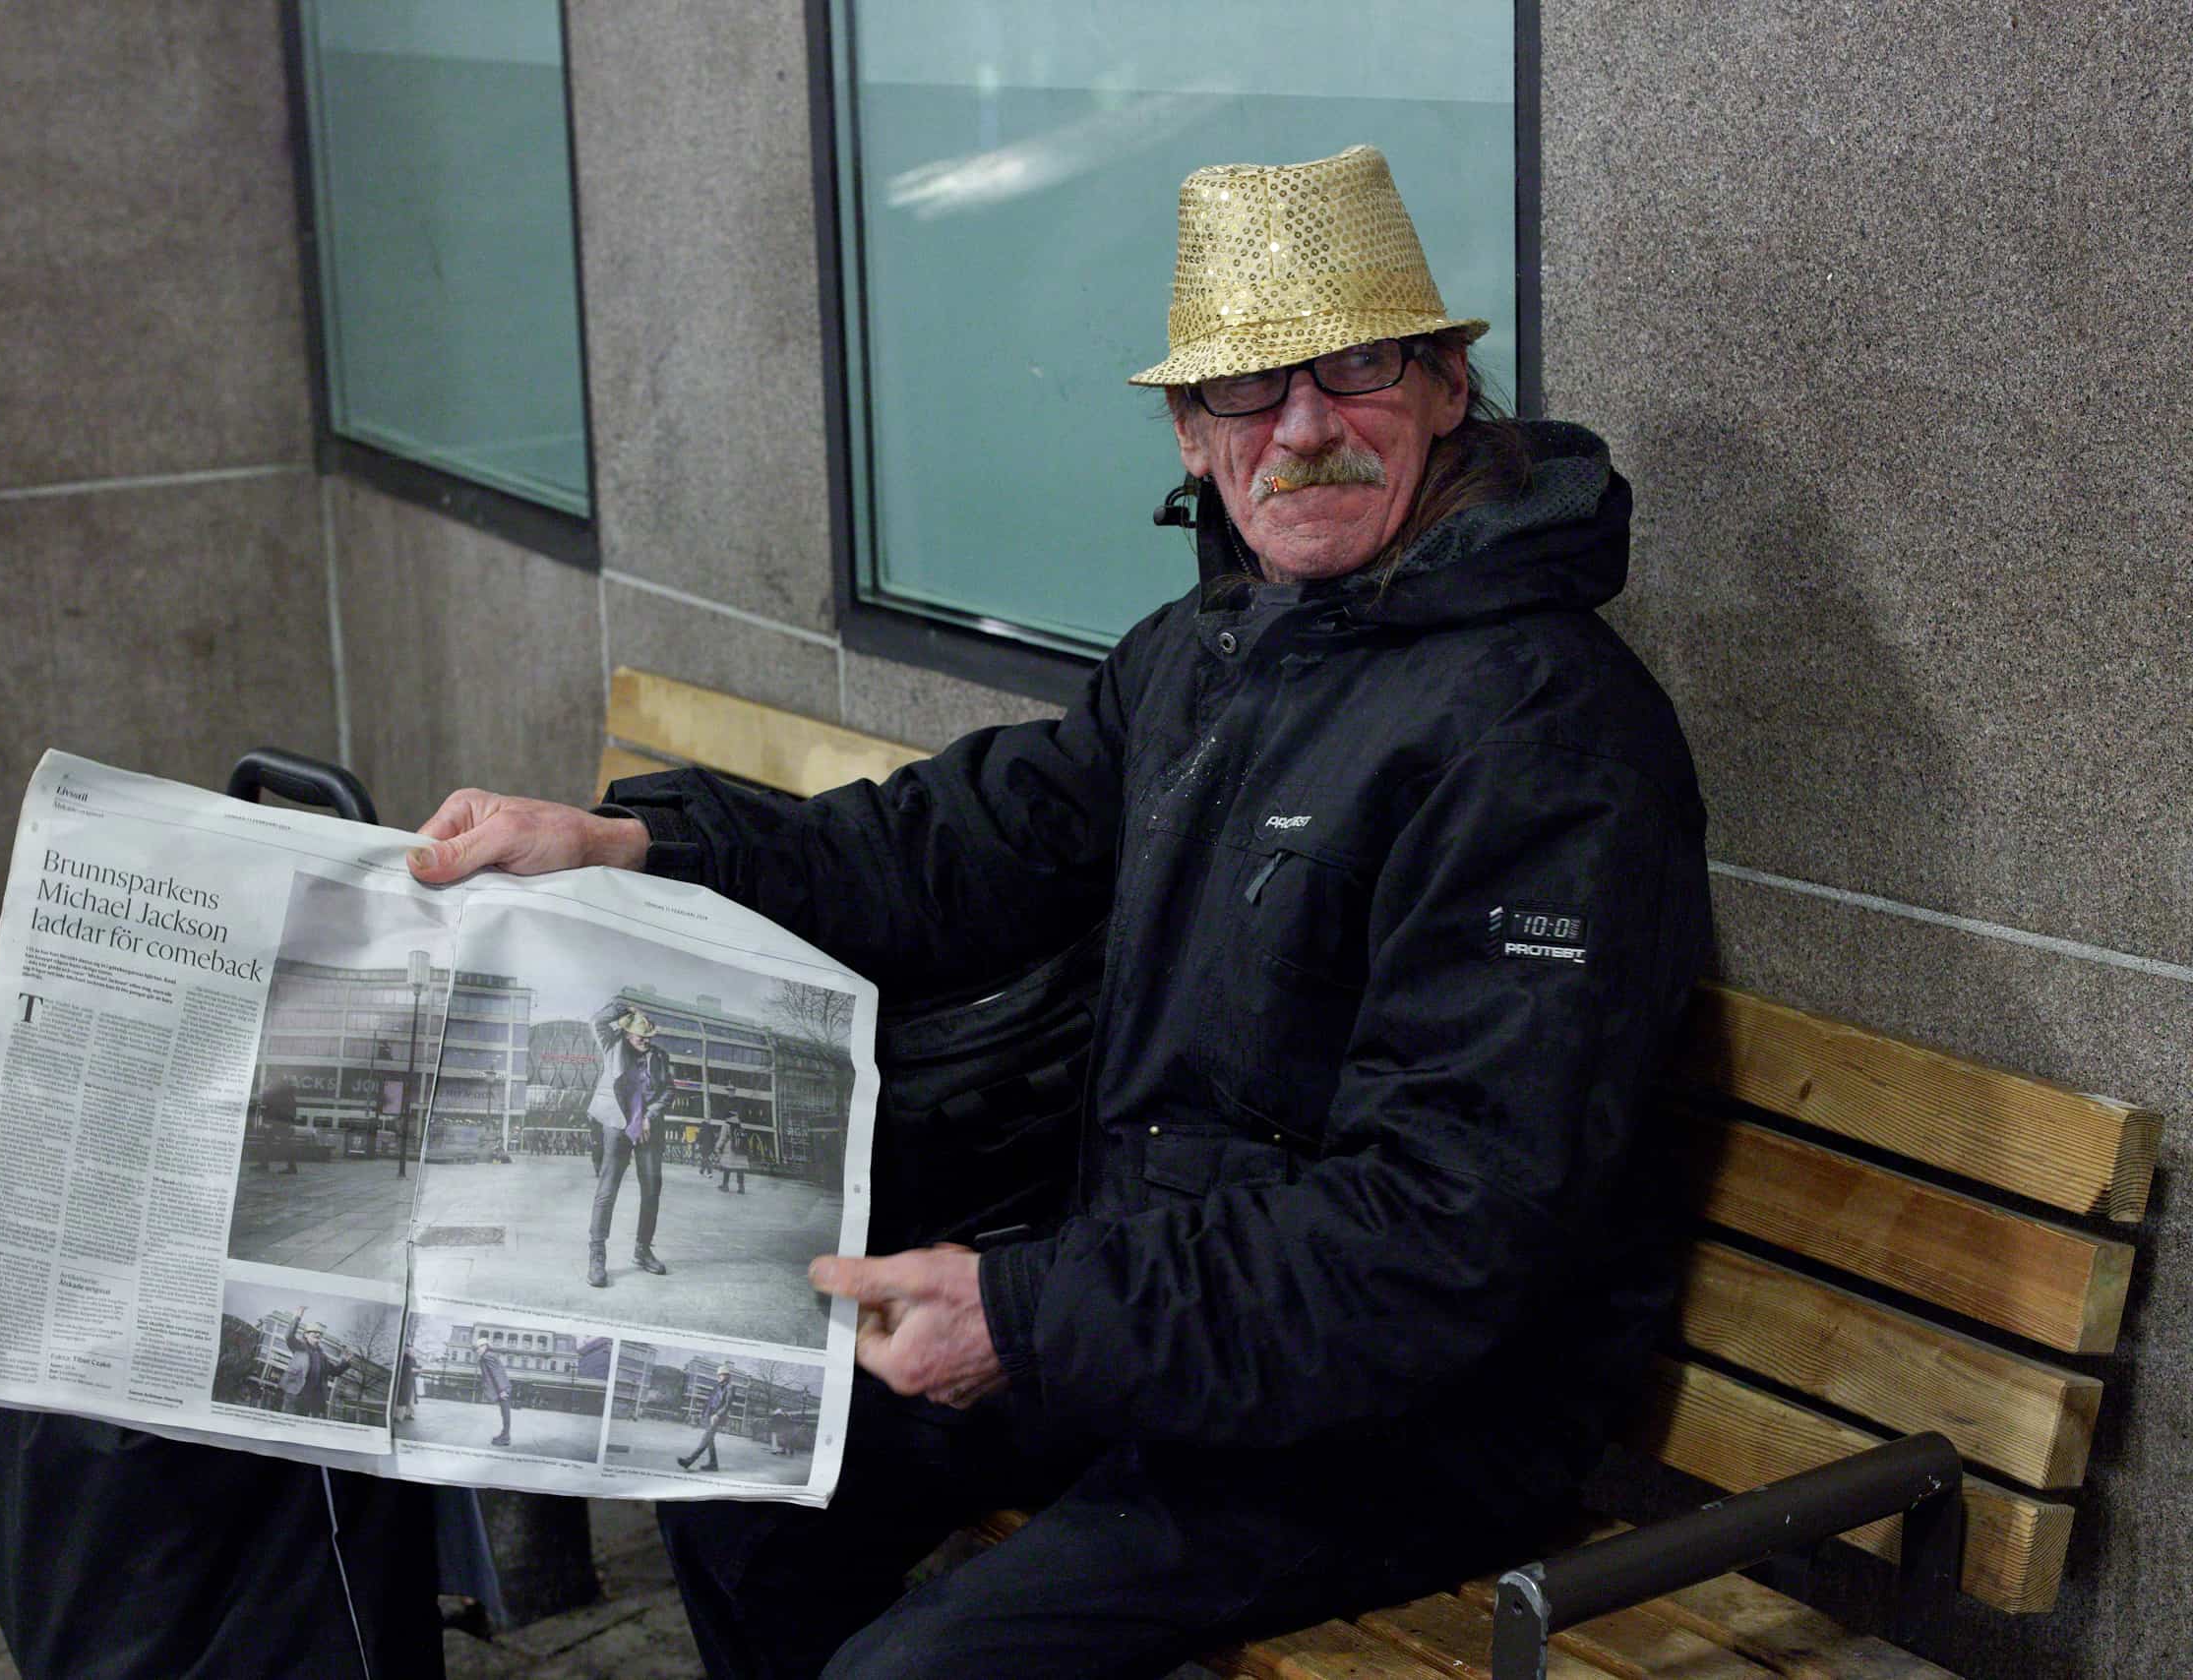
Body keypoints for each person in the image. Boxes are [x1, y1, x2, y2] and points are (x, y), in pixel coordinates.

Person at [408, 144, 1709, 1679]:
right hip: (1178, 1326)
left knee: (921, 1671)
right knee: (747, 1461)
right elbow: (950, 849)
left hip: (1411, 1416)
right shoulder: (1211, 655)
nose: (1304, 428)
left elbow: (1439, 1234)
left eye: (1355, 369)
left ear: (1442, 389)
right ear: (1191, 433)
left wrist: (1027, 1316)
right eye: (1250, 388)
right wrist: (635, 843)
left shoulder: (1543, 730)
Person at [583, 999, 677, 1288]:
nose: (646, 1041)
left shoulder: (659, 1056)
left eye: (649, 1036)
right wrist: (625, 1009)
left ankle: (643, 1249)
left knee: (652, 1190)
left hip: (648, 1129)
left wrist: (650, 1115)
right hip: (616, 1125)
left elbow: (668, 1089)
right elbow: (597, 1020)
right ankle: (597, 1256)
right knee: (607, 1190)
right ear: (627, 1033)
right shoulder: (612, 1046)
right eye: (640, 1036)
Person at [279, 1314, 354, 1420]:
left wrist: (346, 1362)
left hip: (311, 1399)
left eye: (320, 1334)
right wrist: (297, 1317)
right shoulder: (300, 1347)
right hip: (295, 1395)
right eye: (314, 1332)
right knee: (288, 1421)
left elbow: (335, 1372)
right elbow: (289, 1336)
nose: (318, 1334)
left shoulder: (322, 1357)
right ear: (306, 1335)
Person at [677, 1364, 738, 1472]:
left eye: (721, 1374)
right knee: (709, 1440)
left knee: (706, 1439)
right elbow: (709, 1401)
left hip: (716, 1417)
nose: (719, 1376)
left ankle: (689, 1461)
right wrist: (703, 1414)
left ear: (727, 1376)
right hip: (709, 1415)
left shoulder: (730, 1387)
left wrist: (718, 1415)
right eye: (718, 1375)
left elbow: (727, 1405)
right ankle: (713, 1464)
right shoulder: (717, 1386)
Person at [478, 1341, 515, 1446]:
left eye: (479, 1347)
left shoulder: (487, 1356)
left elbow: (496, 1373)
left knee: (505, 1413)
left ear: (485, 1346)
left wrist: (502, 1390)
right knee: (505, 1413)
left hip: (502, 1389)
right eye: (476, 1348)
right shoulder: (490, 1355)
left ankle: (505, 1437)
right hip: (503, 1388)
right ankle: (504, 1435)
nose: (477, 1350)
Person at [715, 1117, 750, 1194]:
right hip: (741, 1148)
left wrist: (717, 1147)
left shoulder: (726, 1125)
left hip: (731, 1148)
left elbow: (722, 1138)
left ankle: (725, 1186)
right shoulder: (739, 1124)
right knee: (740, 1169)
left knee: (727, 1168)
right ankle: (741, 1187)